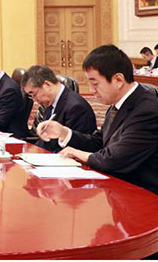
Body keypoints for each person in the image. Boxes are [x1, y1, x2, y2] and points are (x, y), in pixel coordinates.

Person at [37, 45, 158, 194]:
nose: (92, 90)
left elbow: (114, 159)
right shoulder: (117, 105)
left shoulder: (148, 110)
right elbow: (99, 143)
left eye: (95, 84)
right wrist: (64, 133)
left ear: (118, 80)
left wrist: (78, 154)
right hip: (119, 191)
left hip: (145, 197)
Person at [21, 65, 97, 152]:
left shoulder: (76, 107)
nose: (34, 100)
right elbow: (45, 141)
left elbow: (76, 147)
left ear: (47, 85)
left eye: (34, 94)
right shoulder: (50, 103)